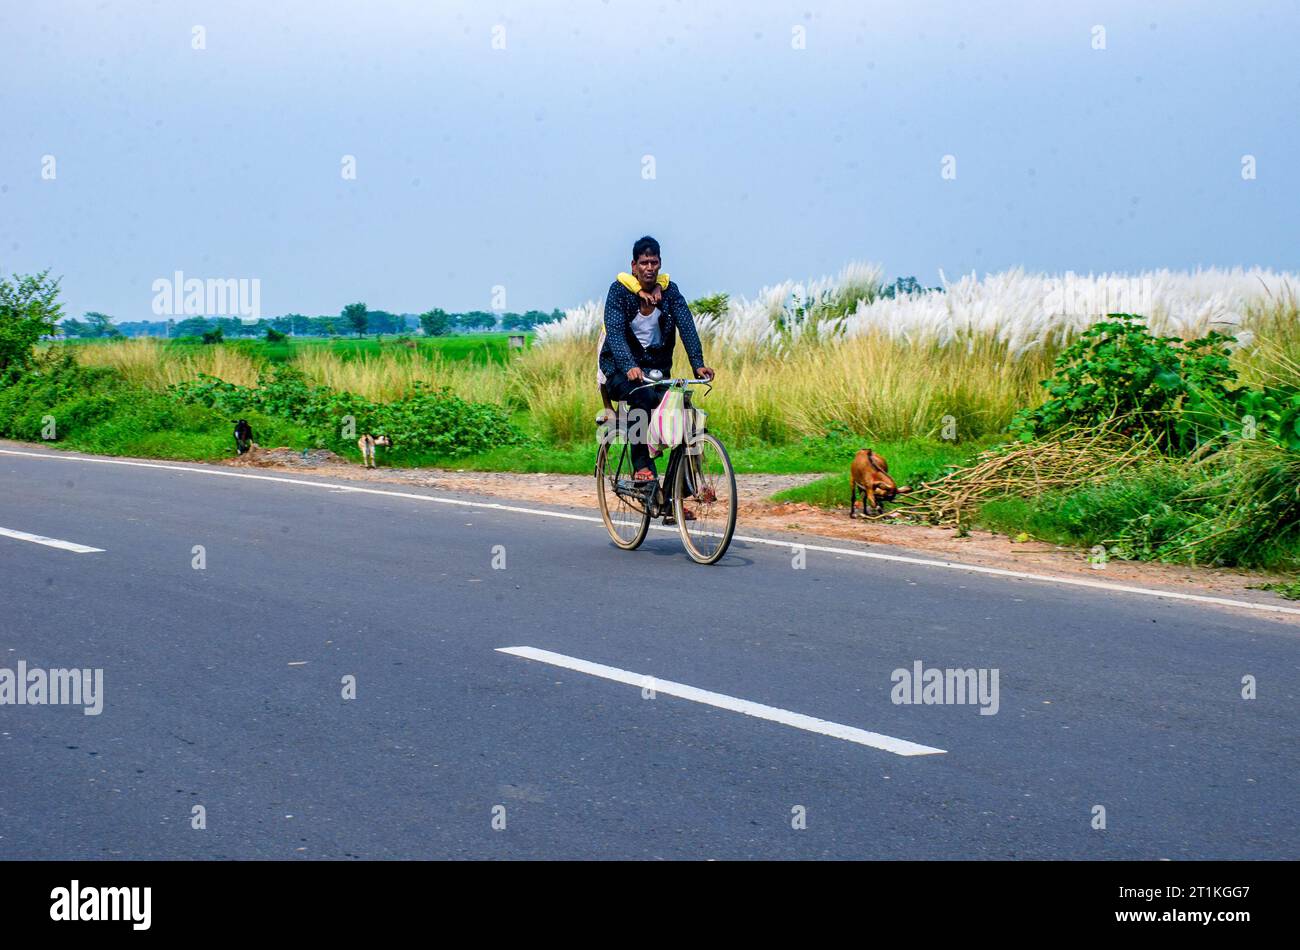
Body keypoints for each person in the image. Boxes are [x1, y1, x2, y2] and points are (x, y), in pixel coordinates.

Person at [599, 235, 715, 495]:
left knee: (684, 408)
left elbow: (686, 325)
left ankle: (681, 490)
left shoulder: (669, 292)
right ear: (634, 266)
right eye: (643, 263)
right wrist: (628, 364)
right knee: (640, 397)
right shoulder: (619, 292)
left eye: (653, 262)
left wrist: (698, 363)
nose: (649, 268)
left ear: (660, 264)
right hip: (618, 369)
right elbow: (615, 332)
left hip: (655, 371)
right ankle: (642, 467)